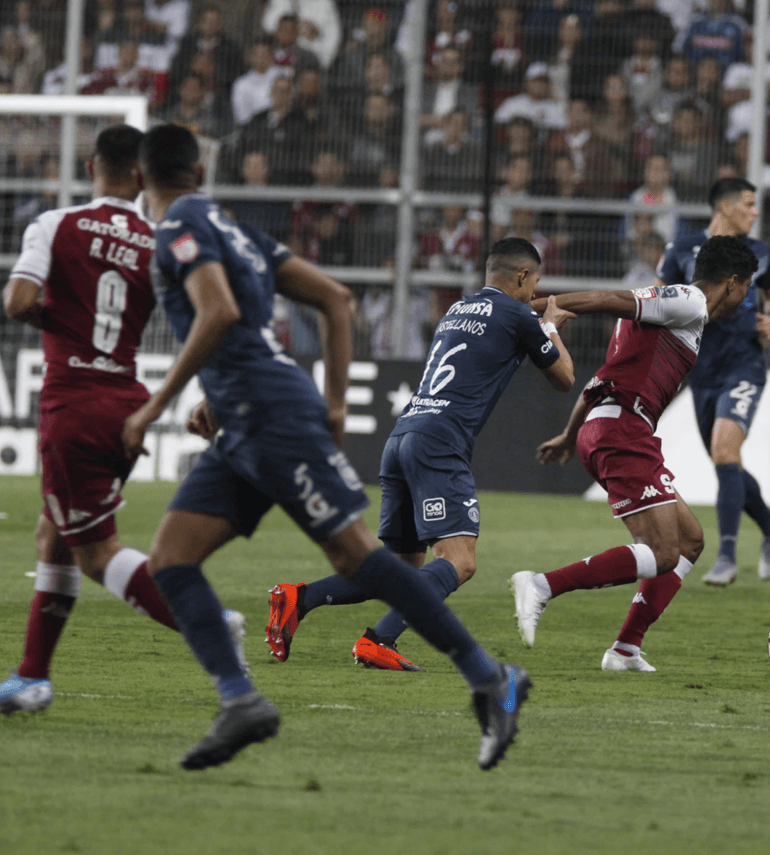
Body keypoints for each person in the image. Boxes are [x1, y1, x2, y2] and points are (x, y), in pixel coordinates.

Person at [126, 123, 529, 771]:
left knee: (361, 558)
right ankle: (240, 702)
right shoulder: (236, 230)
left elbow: (218, 311)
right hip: (250, 415)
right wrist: (332, 407)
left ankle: (490, 679)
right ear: (199, 173)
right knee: (171, 559)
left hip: (270, 419)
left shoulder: (176, 230)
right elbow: (335, 300)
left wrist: (155, 405)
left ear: (141, 180)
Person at [0, 126, 230, 716]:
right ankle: (32, 678)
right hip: (128, 405)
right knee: (55, 536)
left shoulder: (56, 225)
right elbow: (203, 315)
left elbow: (19, 303)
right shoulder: (156, 240)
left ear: (91, 165)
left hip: (72, 403)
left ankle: (209, 624)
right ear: (139, 176)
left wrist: (66, 323)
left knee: (95, 552)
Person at [268, 239, 576, 671]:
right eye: (536, 281)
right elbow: (564, 377)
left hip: (403, 434)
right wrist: (551, 325)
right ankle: (378, 640)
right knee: (459, 562)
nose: (535, 290)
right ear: (523, 276)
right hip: (439, 442)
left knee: (402, 571)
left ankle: (299, 598)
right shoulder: (519, 314)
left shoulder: (458, 310)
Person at [510, 236, 758, 668]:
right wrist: (544, 308)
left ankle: (625, 648)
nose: (746, 298)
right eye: (748, 287)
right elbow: (608, 297)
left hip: (612, 425)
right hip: (622, 429)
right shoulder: (690, 301)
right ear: (734, 282)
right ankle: (541, 584)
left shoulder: (665, 318)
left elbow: (600, 379)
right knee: (662, 551)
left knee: (689, 542)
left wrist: (570, 436)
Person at [655, 179, 770, 587]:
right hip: (702, 371)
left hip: (745, 365)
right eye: (749, 204)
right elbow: (658, 300)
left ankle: (726, 557)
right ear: (726, 207)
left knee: (725, 449)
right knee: (725, 461)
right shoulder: (682, 249)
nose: (755, 211)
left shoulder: (761, 253)